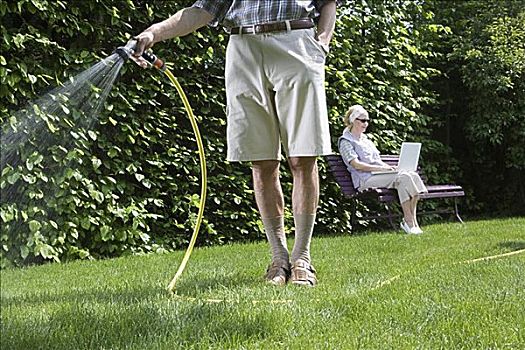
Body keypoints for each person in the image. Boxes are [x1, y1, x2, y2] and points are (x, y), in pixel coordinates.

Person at [131, 1, 337, 286]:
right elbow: (200, 11)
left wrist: (323, 43)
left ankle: (302, 257)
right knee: (261, 160)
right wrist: (153, 33)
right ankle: (278, 258)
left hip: (297, 43)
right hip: (243, 49)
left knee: (303, 157)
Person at [338, 105, 428, 234]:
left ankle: (411, 221)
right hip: (365, 179)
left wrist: (390, 168)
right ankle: (409, 221)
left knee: (410, 175)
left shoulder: (366, 140)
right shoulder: (345, 141)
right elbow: (356, 165)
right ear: (353, 120)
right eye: (362, 120)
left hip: (378, 175)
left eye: (367, 120)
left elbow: (377, 160)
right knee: (404, 177)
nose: (366, 124)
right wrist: (381, 169)